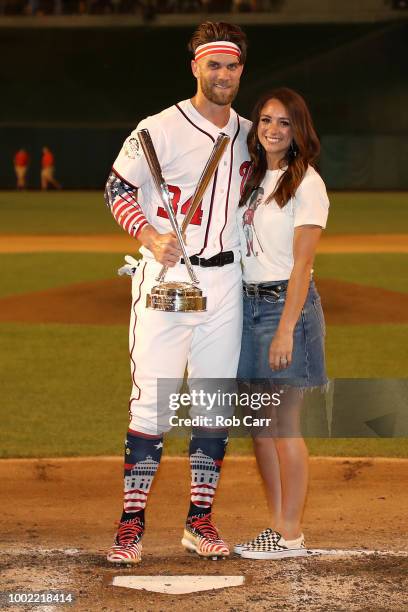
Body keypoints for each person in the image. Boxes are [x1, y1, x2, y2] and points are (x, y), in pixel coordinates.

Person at [103, 21, 251, 564]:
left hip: (225, 283)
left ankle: (200, 521)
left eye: (232, 66)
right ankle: (131, 524)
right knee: (152, 407)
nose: (223, 74)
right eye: (213, 64)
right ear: (195, 67)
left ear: (241, 72)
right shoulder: (159, 128)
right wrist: (147, 232)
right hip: (166, 281)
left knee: (214, 406)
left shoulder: (248, 133)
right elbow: (116, 187)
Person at [234, 87, 329, 559]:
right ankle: (277, 526)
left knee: (283, 424)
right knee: (258, 424)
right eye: (266, 120)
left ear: (298, 130)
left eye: (284, 122)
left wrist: (287, 328)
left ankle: (290, 532)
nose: (273, 129)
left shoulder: (306, 183)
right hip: (247, 307)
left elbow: (302, 266)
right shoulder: (253, 179)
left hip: (282, 308)